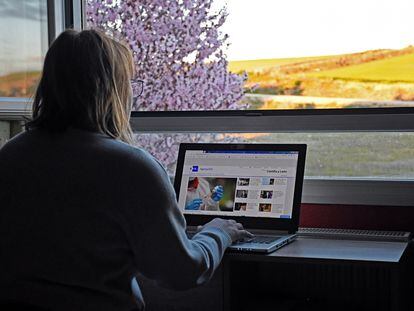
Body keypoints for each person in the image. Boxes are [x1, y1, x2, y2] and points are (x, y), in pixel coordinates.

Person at [0, 29, 252, 311]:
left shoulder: (11, 155)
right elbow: (181, 272)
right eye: (129, 84)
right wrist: (219, 232)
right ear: (113, 91)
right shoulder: (131, 167)